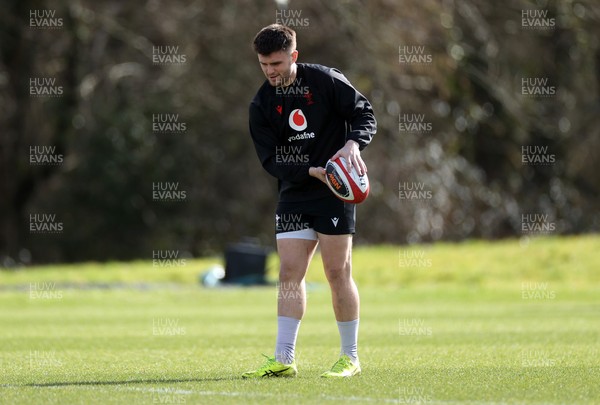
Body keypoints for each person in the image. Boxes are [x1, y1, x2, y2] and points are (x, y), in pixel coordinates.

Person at [242, 24, 376, 378]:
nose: (270, 71)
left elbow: (364, 113)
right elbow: (270, 160)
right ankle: (284, 358)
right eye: (264, 64)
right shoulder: (261, 104)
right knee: (289, 273)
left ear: (294, 56)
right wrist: (311, 170)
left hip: (335, 191)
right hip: (296, 192)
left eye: (277, 63)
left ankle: (350, 357)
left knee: (337, 272)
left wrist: (352, 145)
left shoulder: (326, 81)